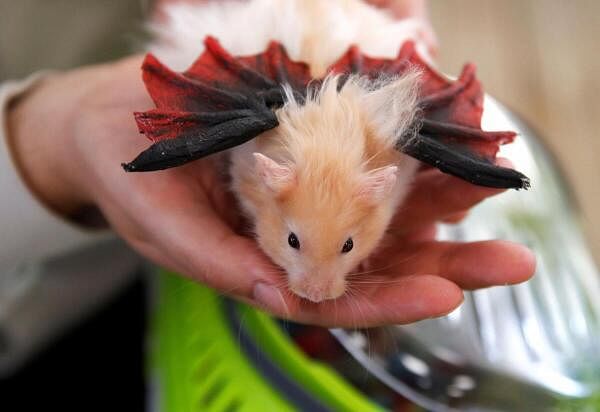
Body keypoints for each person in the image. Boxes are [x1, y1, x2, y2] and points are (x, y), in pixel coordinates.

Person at [0, 0, 535, 374]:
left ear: (380, 192)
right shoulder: (260, 158)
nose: (315, 286)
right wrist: (52, 136)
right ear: (270, 182)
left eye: (346, 246)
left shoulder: (385, 173)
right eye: (296, 244)